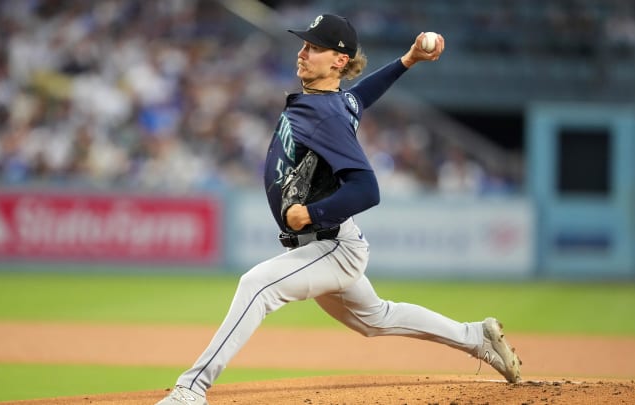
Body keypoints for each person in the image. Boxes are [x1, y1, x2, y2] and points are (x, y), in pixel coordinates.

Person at [156, 14, 522, 405]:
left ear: (338, 61)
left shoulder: (325, 114)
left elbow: (367, 188)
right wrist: (408, 60)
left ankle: (191, 390)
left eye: (314, 47)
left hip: (330, 245)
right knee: (377, 318)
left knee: (256, 286)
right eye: (304, 44)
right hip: (326, 244)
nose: (302, 52)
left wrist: (312, 214)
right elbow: (361, 95)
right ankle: (476, 337)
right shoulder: (335, 102)